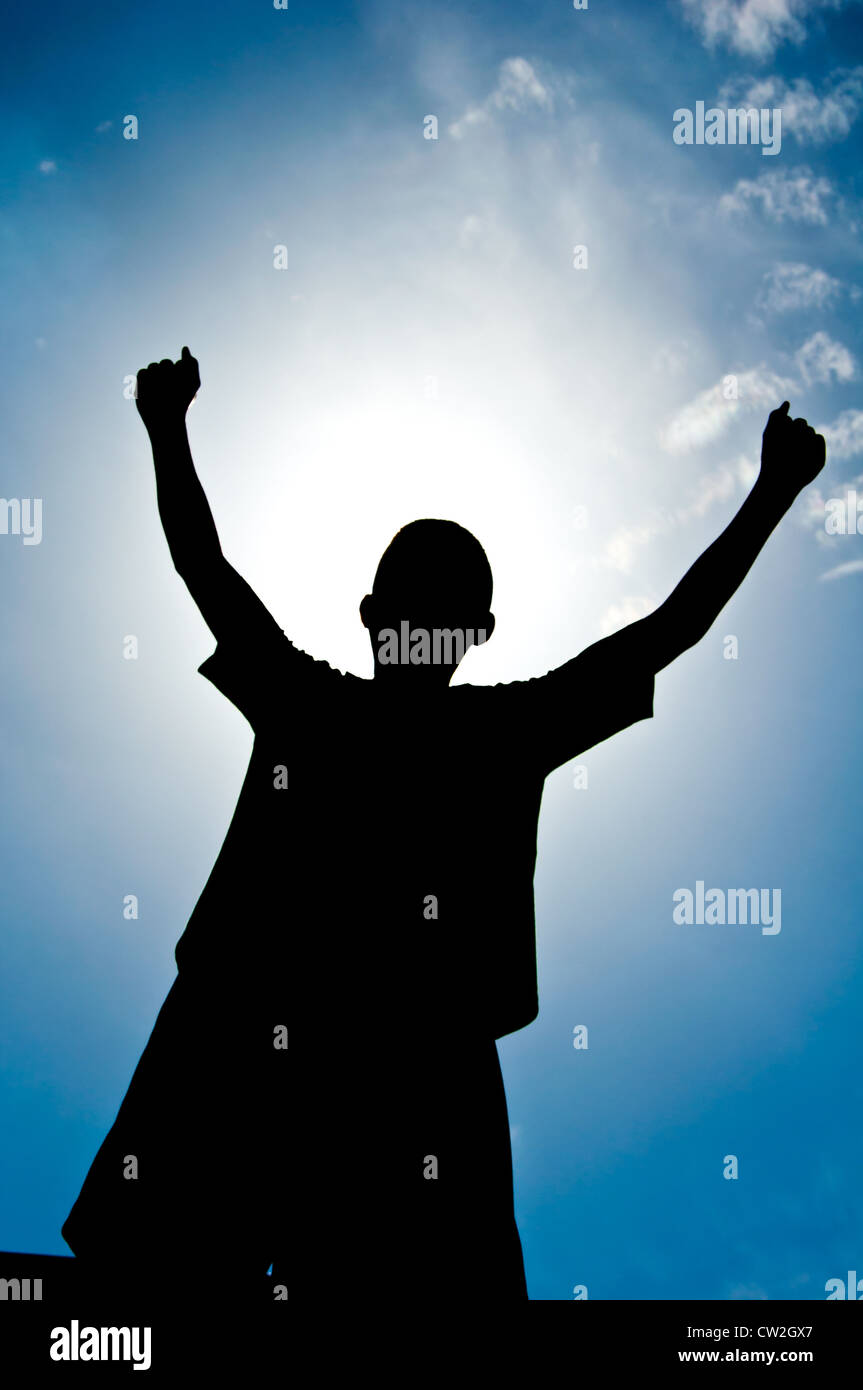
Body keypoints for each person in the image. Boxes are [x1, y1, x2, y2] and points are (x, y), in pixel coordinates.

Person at [62, 348, 826, 1302]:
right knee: (154, 1286)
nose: (423, 624)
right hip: (271, 1038)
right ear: (388, 616)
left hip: (391, 1058)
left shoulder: (429, 720)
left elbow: (667, 629)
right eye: (421, 601)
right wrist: (164, 428)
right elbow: (201, 564)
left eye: (441, 606)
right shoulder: (422, 719)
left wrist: (165, 426)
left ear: (459, 630)